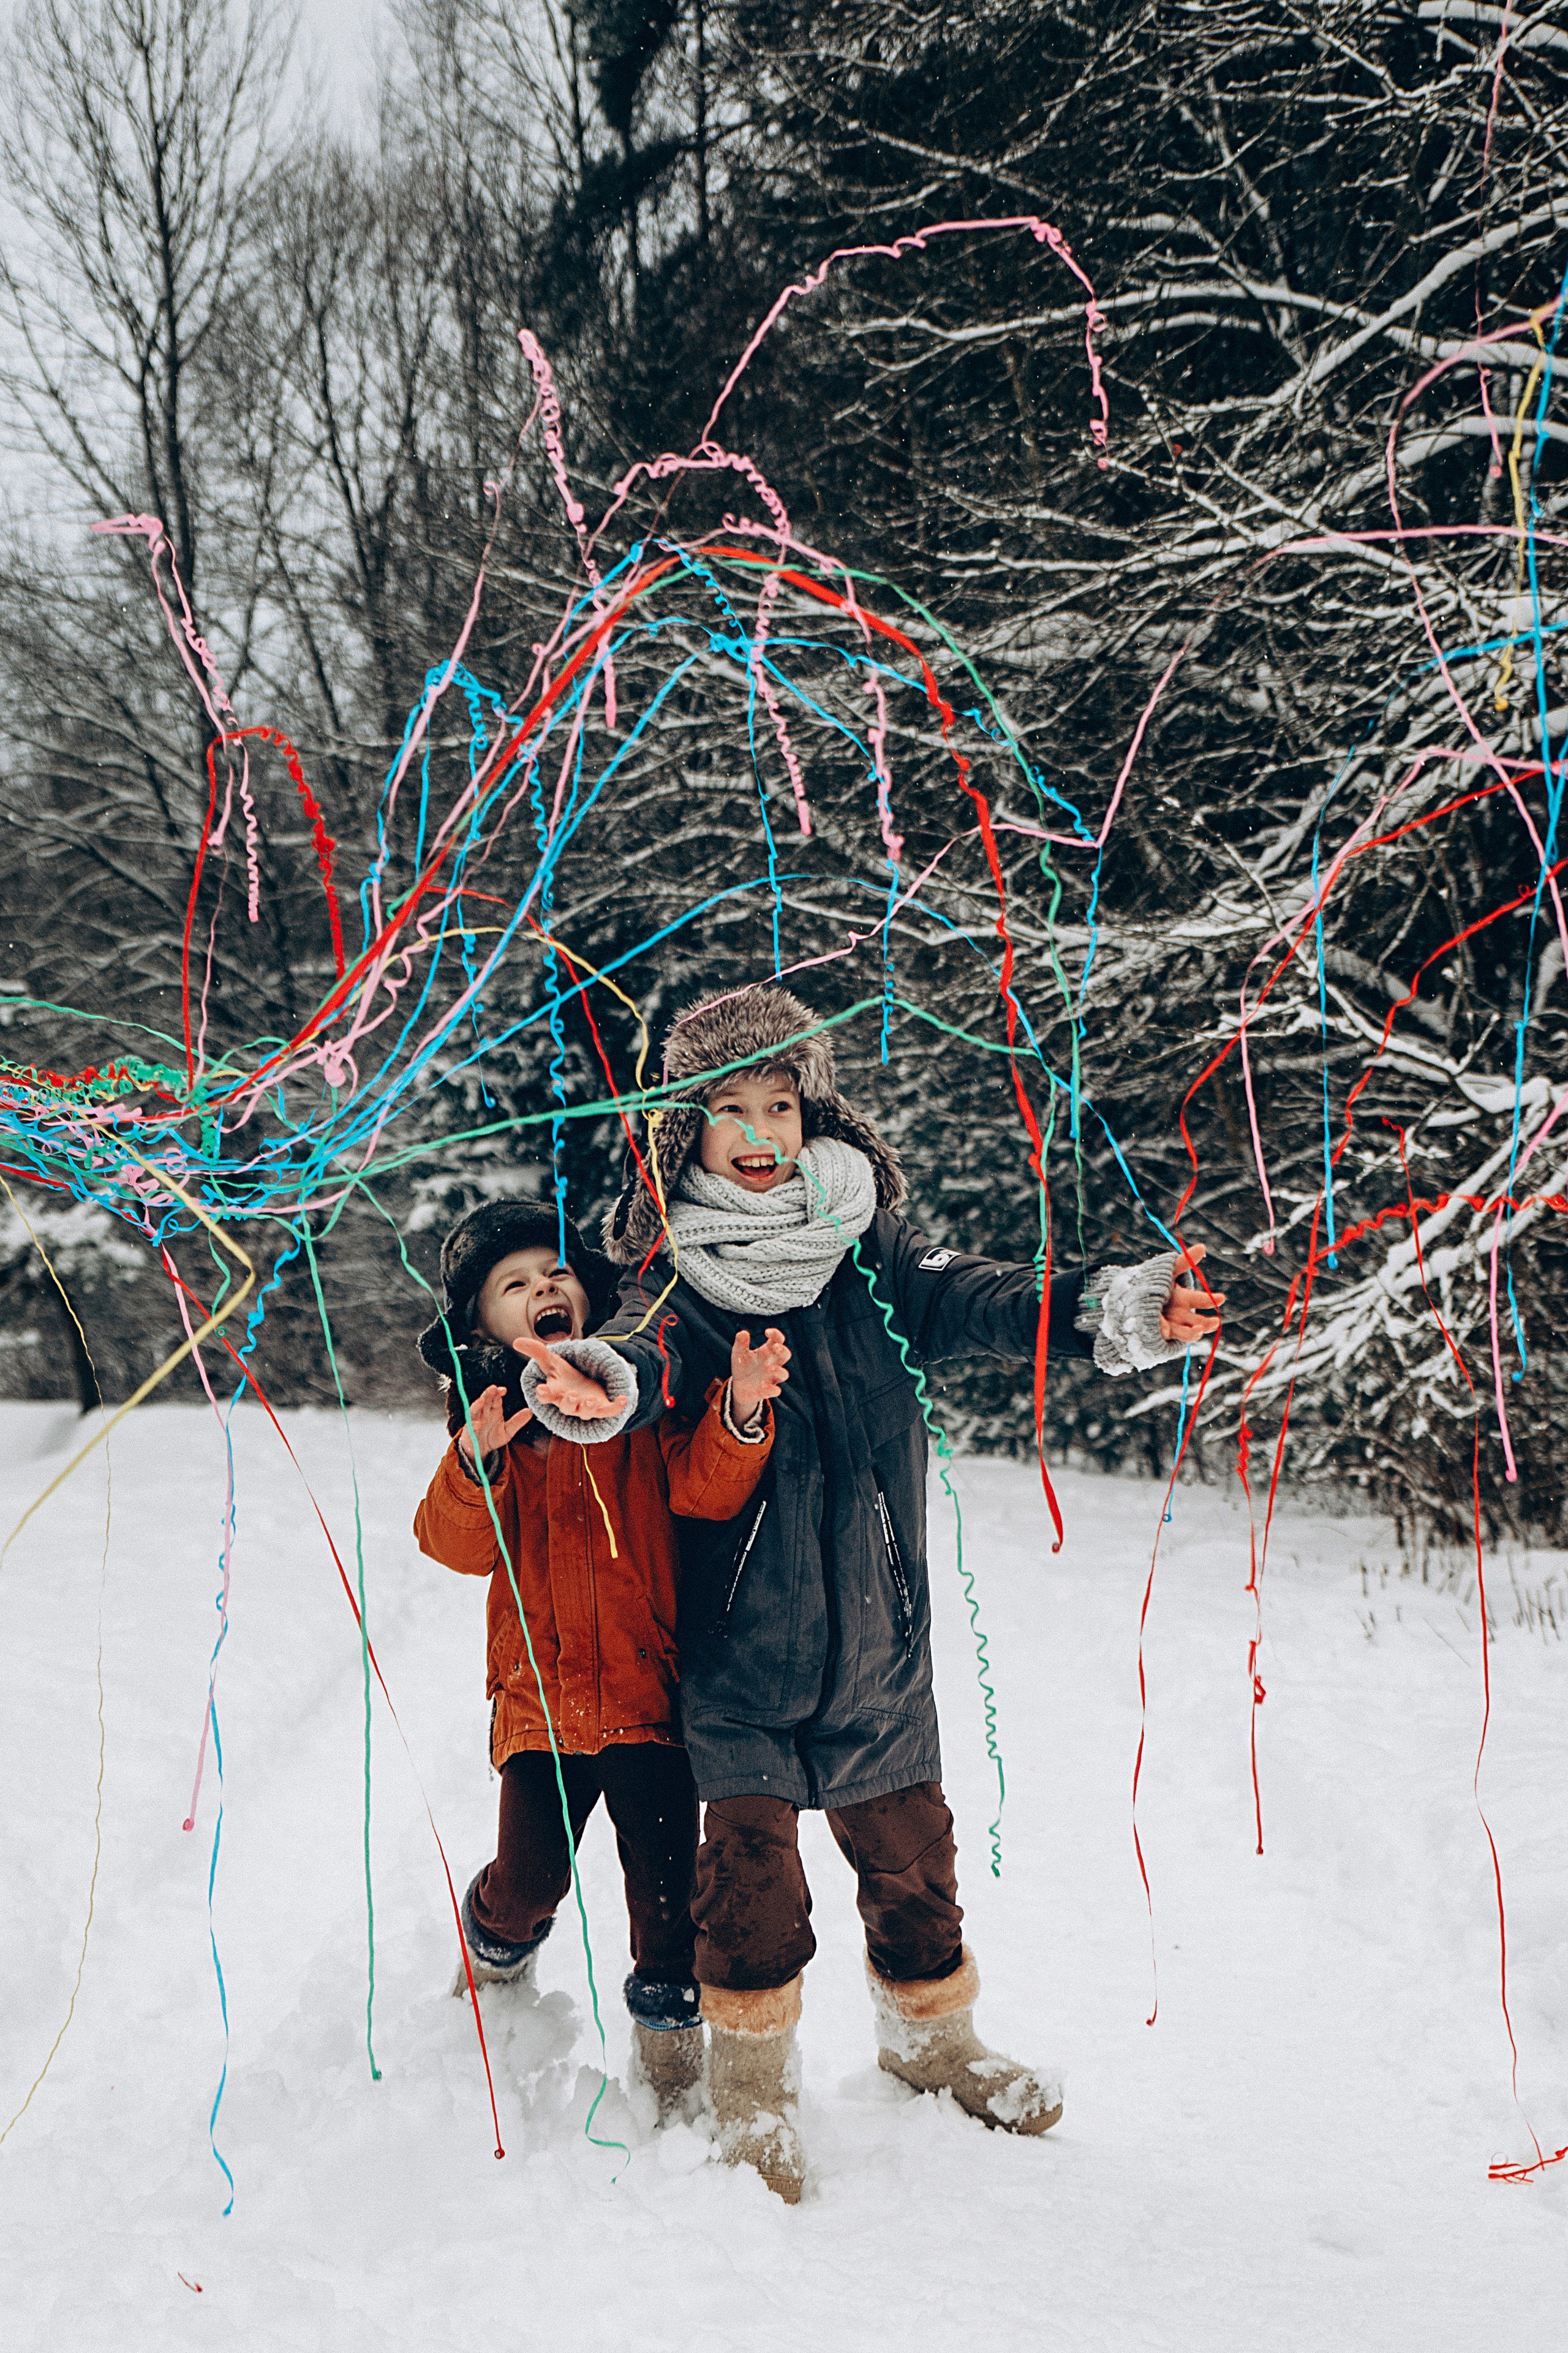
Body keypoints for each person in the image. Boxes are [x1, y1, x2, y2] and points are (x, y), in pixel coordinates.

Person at [514, 988, 1224, 2200]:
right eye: (727, 1107)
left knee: (911, 1861)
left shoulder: (870, 1247)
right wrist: (596, 1381)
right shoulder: (678, 1275)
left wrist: (1120, 1305)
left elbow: (987, 1294)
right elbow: (632, 1348)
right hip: (737, 1653)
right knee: (747, 1882)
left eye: (777, 1103)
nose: (756, 1129)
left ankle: (931, 2046)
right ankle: (750, 2096)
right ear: (687, 1130)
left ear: (811, 1112)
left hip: (879, 1640)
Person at [412, 1198, 788, 2120]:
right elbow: (452, 1544)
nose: (544, 1286)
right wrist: (474, 1461)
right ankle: (494, 1940)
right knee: (531, 1876)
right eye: (514, 1284)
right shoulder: (492, 1427)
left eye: (555, 1273)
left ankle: (668, 2068)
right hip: (540, 1708)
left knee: (666, 1900)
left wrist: (737, 1411)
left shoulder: (633, 1406)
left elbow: (703, 1491)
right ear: (484, 1328)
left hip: (647, 1700)